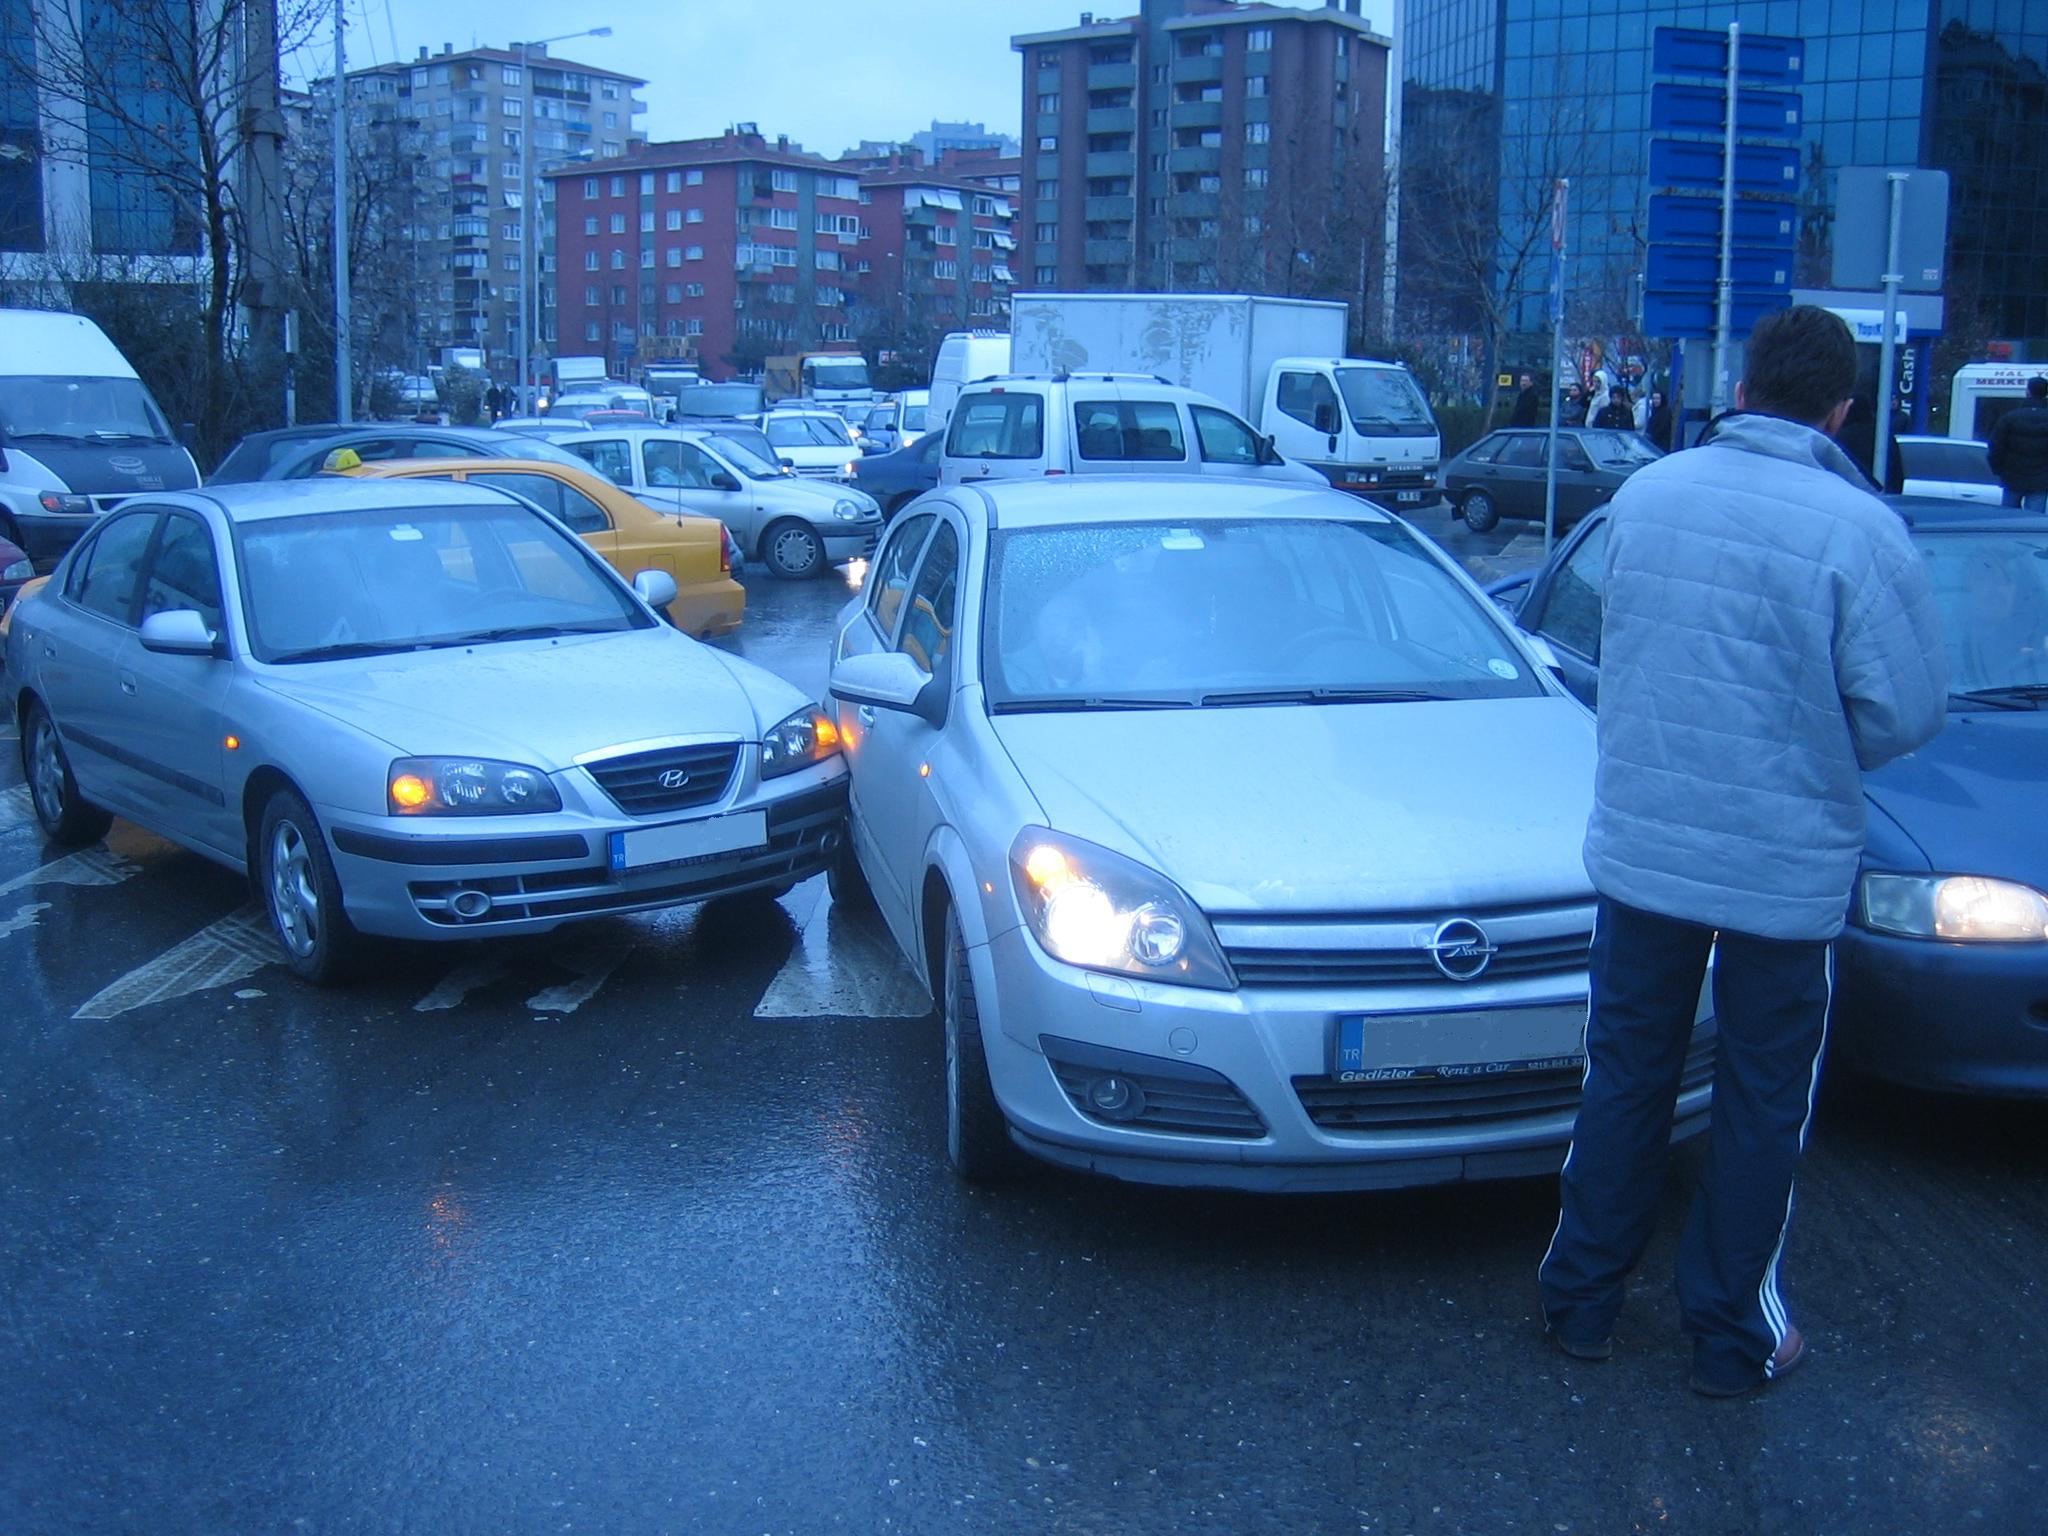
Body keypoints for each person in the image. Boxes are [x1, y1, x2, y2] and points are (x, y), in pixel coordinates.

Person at [1538, 304, 1947, 1398]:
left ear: (1746, 384)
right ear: (1838, 408)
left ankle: (1579, 1299)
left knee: (1624, 1072)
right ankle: (1729, 1334)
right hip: (1782, 868)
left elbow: (1600, 643)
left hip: (1644, 853)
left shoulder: (1648, 495)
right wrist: (1813, 737)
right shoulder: (1856, 530)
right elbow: (1903, 713)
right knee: (1762, 1099)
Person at [1986, 375, 2048, 511]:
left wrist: (1999, 470)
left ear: (2028, 392)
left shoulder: (2009, 418)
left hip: (2012, 477)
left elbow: (1995, 448)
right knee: (2034, 522)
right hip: (2041, 480)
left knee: (2008, 519)